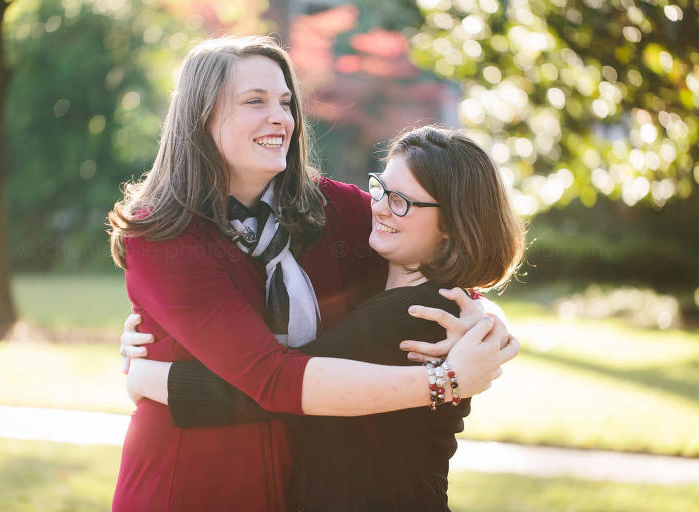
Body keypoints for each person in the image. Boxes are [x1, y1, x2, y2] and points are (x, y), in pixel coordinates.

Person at [107, 35, 518, 512]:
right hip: (191, 481)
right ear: (202, 117)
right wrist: (447, 379)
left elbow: (448, 245)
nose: (280, 117)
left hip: (293, 482)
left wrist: (485, 322)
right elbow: (273, 378)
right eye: (254, 101)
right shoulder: (164, 239)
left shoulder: (331, 209)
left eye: (285, 101)